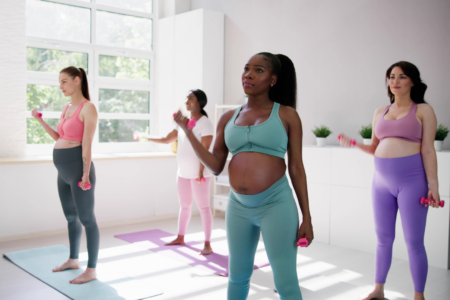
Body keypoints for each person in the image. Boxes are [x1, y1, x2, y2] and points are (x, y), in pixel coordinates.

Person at [174, 52, 313, 300]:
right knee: (237, 277)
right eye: (247, 68)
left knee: (285, 282)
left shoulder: (287, 115)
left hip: (276, 204)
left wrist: (307, 217)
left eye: (259, 70)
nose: (248, 74)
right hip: (238, 206)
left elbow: (296, 169)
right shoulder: (228, 117)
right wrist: (187, 131)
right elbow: (215, 165)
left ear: (273, 80)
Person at [339, 61, 441, 300]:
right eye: (392, 76)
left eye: (402, 77)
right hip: (381, 183)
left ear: (412, 81)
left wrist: (434, 186)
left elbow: (428, 150)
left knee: (414, 242)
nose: (395, 81)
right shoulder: (380, 112)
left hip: (413, 182)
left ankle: (419, 296)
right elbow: (375, 147)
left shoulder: (424, 110)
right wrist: (353, 144)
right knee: (383, 239)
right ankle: (378, 290)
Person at [31, 66, 99, 284]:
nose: (60, 86)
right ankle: (73, 259)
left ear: (77, 80)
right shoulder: (67, 107)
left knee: (87, 219)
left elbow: (86, 144)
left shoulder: (88, 108)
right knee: (71, 216)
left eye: (64, 82)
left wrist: (86, 174)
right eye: (59, 82)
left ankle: (91, 269)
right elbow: (59, 136)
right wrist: (40, 121)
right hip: (63, 171)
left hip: (79, 170)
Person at [137, 89, 214, 255]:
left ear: (199, 103)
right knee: (184, 206)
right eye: (186, 98)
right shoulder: (184, 123)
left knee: (204, 208)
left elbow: (205, 150)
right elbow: (166, 139)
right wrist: (145, 136)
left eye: (191, 99)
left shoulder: (205, 123)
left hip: (199, 174)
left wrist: (201, 172)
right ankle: (180, 237)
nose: (187, 101)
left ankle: (207, 244)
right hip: (183, 173)